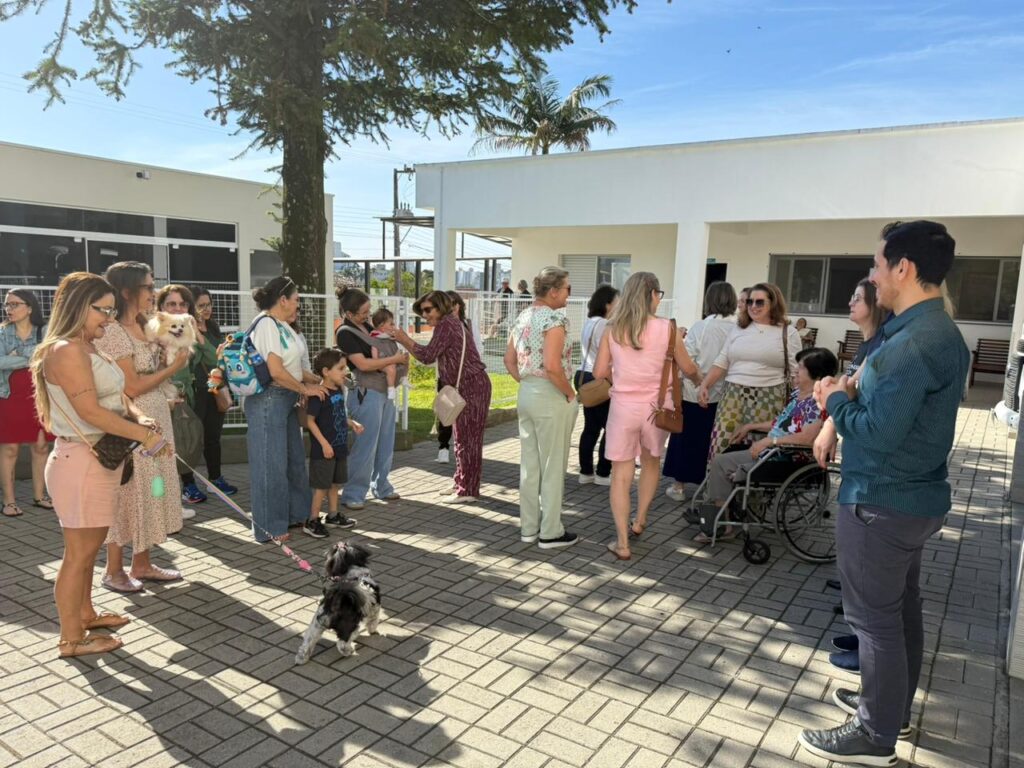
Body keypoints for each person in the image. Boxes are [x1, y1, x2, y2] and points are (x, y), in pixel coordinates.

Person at [797, 221, 969, 766]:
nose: (872, 276)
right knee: (899, 612)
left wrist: (833, 400)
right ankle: (891, 710)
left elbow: (875, 432)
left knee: (874, 621)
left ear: (904, 268)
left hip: (881, 501)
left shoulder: (912, 344)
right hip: (909, 500)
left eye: (876, 265)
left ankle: (875, 735)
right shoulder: (935, 331)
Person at [32, 272, 171, 657]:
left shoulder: (86, 346)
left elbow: (119, 397)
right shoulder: (66, 350)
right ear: (78, 306)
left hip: (94, 462)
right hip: (82, 463)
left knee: (86, 553)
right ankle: (71, 640)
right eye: (102, 310)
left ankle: (85, 615)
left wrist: (139, 418)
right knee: (77, 557)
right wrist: (143, 436)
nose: (109, 319)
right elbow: (90, 411)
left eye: (112, 310)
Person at [97, 262, 190, 592]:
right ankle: (113, 570)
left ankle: (142, 562)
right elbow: (132, 386)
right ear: (126, 291)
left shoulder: (146, 325)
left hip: (156, 419)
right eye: (149, 287)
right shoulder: (113, 332)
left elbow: (150, 373)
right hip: (131, 425)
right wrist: (173, 368)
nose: (154, 292)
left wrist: (168, 360)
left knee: (152, 491)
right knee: (126, 494)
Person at [593, 273, 700, 560]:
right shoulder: (668, 328)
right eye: (658, 294)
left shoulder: (613, 328)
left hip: (623, 408)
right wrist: (700, 380)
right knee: (651, 461)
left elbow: (599, 372)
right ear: (652, 294)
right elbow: (688, 368)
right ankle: (640, 520)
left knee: (620, 474)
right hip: (657, 407)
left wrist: (622, 370)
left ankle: (622, 542)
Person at [696, 347, 838, 543]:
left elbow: (806, 438)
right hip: (772, 452)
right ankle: (721, 519)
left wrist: (769, 441)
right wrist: (750, 426)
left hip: (788, 458)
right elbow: (781, 423)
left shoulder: (818, 403)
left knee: (726, 466)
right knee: (721, 460)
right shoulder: (798, 394)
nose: (796, 371)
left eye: (801, 368)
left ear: (816, 374)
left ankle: (722, 524)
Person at [244, 276, 328, 543]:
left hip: (286, 399)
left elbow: (293, 367)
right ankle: (269, 526)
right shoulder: (266, 324)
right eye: (296, 299)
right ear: (283, 300)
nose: (298, 304)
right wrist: (304, 389)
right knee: (270, 466)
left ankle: (295, 514)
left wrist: (318, 381)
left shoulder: (282, 326)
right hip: (268, 401)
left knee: (293, 461)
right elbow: (276, 371)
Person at [504, 267, 579, 549]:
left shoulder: (522, 316)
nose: (569, 294)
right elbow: (552, 366)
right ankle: (550, 531)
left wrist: (527, 382)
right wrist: (570, 394)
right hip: (551, 394)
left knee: (530, 465)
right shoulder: (554, 319)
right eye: (568, 288)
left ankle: (529, 527)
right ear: (554, 291)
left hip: (527, 392)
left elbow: (509, 360)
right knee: (553, 465)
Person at [395, 290, 492, 502]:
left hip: (470, 385)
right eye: (422, 312)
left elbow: (427, 355)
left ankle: (467, 490)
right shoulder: (450, 323)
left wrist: (404, 339)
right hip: (466, 385)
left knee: (469, 440)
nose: (425, 315)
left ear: (440, 306)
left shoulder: (447, 325)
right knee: (461, 438)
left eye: (428, 310)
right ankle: (461, 481)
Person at [698, 282, 801, 466]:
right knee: (720, 445)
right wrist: (705, 385)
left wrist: (801, 403)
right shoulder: (738, 328)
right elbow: (722, 361)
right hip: (732, 396)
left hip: (769, 397)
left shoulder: (788, 333)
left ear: (773, 303)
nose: (753, 306)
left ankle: (750, 486)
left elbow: (795, 373)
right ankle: (718, 485)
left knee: (757, 452)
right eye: (750, 302)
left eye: (759, 302)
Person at [663, 281, 737, 504]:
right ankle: (710, 487)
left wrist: (699, 381)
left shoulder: (701, 327)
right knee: (715, 442)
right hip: (726, 395)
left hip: (694, 393)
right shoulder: (738, 328)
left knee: (686, 440)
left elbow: (688, 359)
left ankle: (679, 486)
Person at [335, 286, 408, 510]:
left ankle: (381, 485)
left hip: (385, 390)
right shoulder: (345, 333)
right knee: (366, 444)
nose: (368, 315)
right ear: (349, 314)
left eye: (368, 310)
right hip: (366, 393)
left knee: (386, 440)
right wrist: (394, 360)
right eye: (363, 312)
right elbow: (363, 364)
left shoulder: (367, 327)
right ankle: (353, 493)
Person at [0, 288, 53, 516]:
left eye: (15, 304)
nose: (9, 309)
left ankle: (39, 496)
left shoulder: (45, 331)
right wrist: (30, 356)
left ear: (30, 308)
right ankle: (9, 501)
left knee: (40, 446)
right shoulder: (2, 333)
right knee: (10, 448)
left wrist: (16, 355)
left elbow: (47, 354)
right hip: (9, 396)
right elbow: (0, 362)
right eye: (7, 304)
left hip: (38, 395)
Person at [304, 347, 364, 537]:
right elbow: (310, 421)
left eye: (345, 367)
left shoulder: (338, 389)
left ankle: (333, 515)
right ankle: (312, 520)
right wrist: (324, 444)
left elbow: (338, 415)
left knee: (335, 484)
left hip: (339, 447)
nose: (345, 371)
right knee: (321, 487)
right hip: (324, 451)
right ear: (326, 372)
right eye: (340, 368)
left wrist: (351, 423)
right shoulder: (319, 394)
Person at [189, 287, 235, 497]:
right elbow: (194, 359)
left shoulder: (213, 327)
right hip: (194, 390)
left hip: (214, 388)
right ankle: (188, 484)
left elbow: (219, 358)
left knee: (213, 437)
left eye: (209, 304)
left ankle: (215, 479)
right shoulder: (186, 330)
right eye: (201, 305)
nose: (206, 309)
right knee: (191, 439)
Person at [574, 284, 619, 486]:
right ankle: (603, 473)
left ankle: (585, 472)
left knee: (590, 428)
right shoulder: (604, 325)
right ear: (607, 304)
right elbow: (606, 357)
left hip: (584, 376)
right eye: (617, 302)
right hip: (600, 379)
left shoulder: (589, 322)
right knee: (610, 427)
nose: (619, 306)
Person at [434, 291, 482, 465]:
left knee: (466, 416)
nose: (452, 309)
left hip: (467, 379)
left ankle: (464, 451)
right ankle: (443, 447)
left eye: (454, 304)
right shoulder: (442, 327)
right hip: (448, 379)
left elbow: (478, 348)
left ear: (459, 306)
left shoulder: (468, 324)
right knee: (446, 412)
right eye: (447, 306)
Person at [369, 307, 408, 402]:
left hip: (393, 359)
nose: (394, 326)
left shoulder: (388, 335)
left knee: (406, 357)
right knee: (391, 367)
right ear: (382, 326)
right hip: (382, 363)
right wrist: (376, 361)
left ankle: (404, 377)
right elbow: (374, 350)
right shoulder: (375, 337)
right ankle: (391, 388)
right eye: (391, 324)